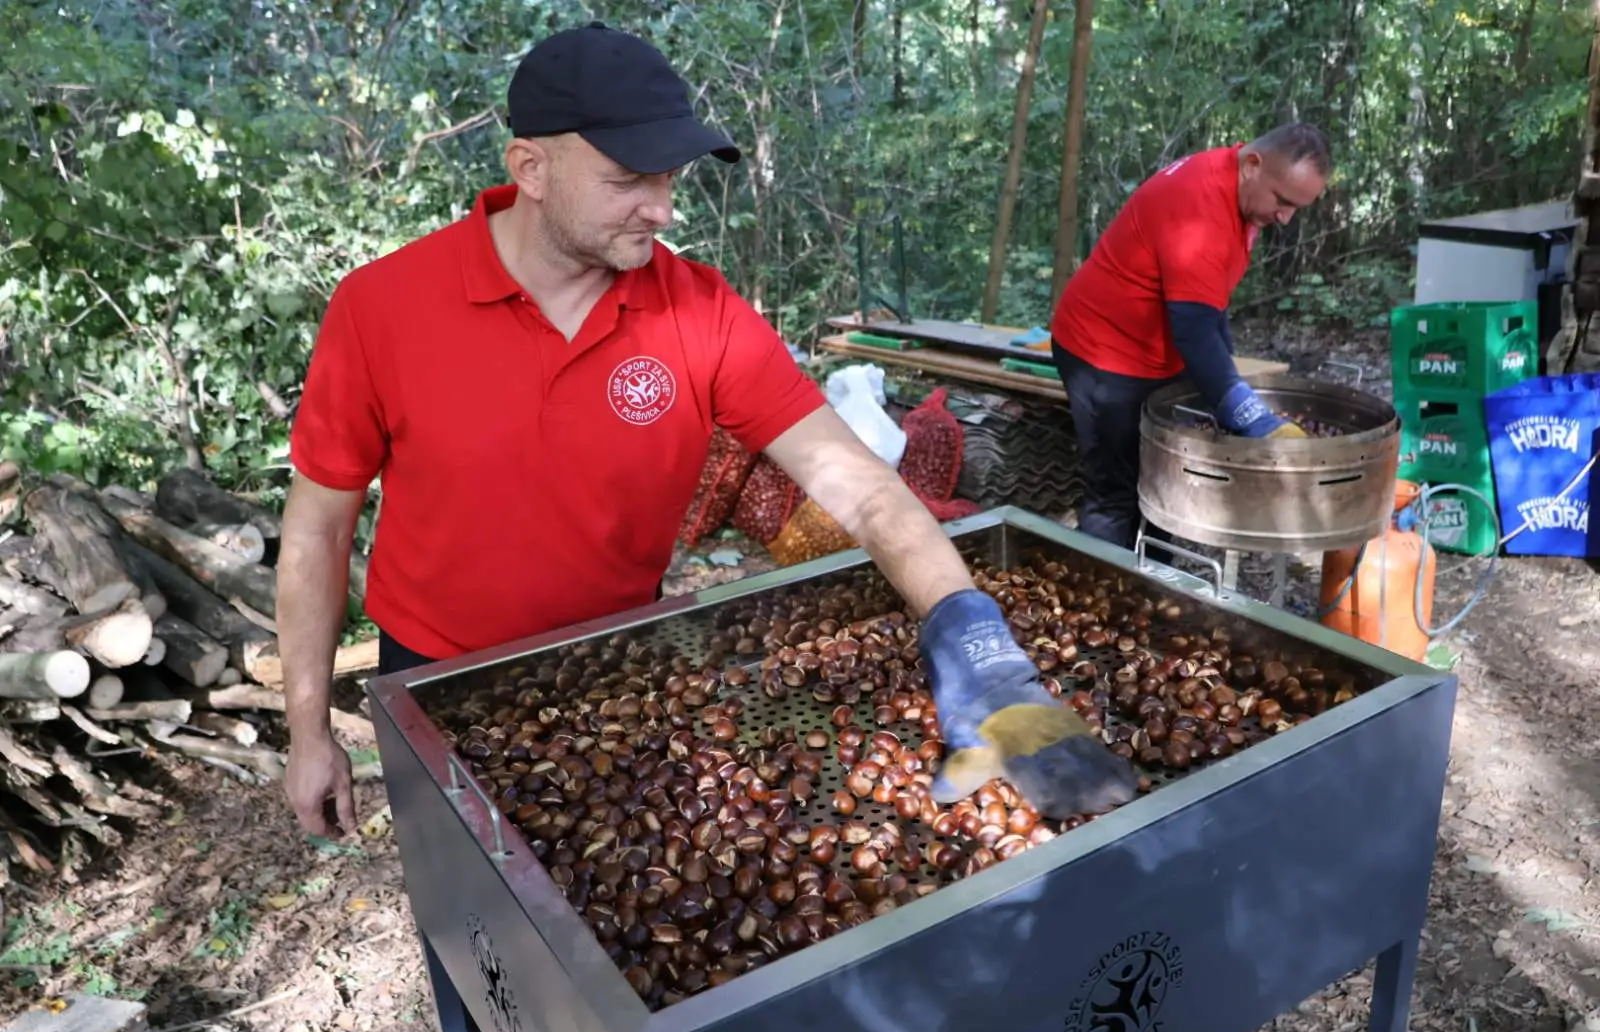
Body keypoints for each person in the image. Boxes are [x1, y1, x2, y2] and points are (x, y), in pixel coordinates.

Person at [277, 22, 1138, 846]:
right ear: (530, 167)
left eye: (672, 178)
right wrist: (308, 729)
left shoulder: (699, 311)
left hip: (623, 666)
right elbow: (318, 525)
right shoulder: (384, 308)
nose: (661, 209)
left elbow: (863, 486)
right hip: (436, 677)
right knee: (472, 930)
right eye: (629, 179)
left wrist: (972, 636)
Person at [1049, 123, 1333, 554]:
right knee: (1115, 491)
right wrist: (1250, 415)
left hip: (1157, 348)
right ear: (1253, 164)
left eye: (1297, 208)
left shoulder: (1241, 191)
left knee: (1166, 483)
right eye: (1282, 201)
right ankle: (1099, 594)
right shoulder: (1199, 208)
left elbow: (1209, 304)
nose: (1285, 217)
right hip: (1102, 350)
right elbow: (1195, 329)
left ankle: (1155, 588)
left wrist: (1229, 385)